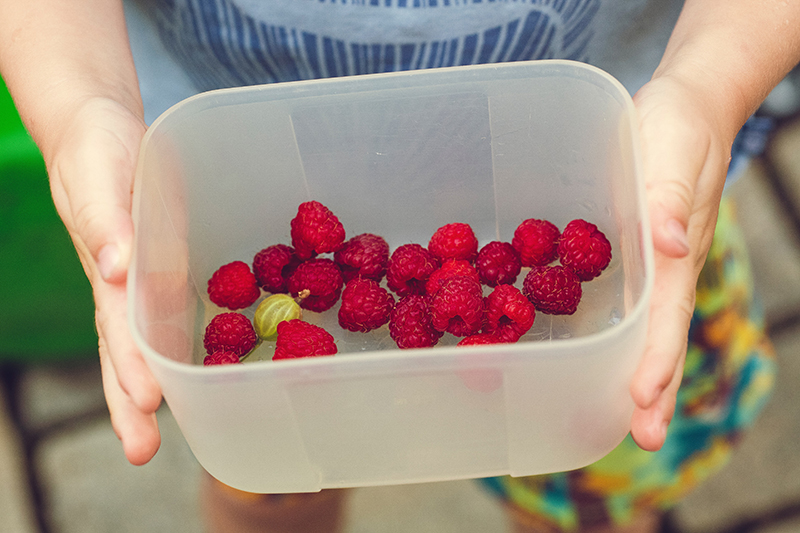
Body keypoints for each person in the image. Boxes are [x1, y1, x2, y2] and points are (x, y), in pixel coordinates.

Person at [0, 0, 798, 531]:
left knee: (587, 471)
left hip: (624, 180)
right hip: (230, 183)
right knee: (270, 484)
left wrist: (706, 84)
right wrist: (82, 105)